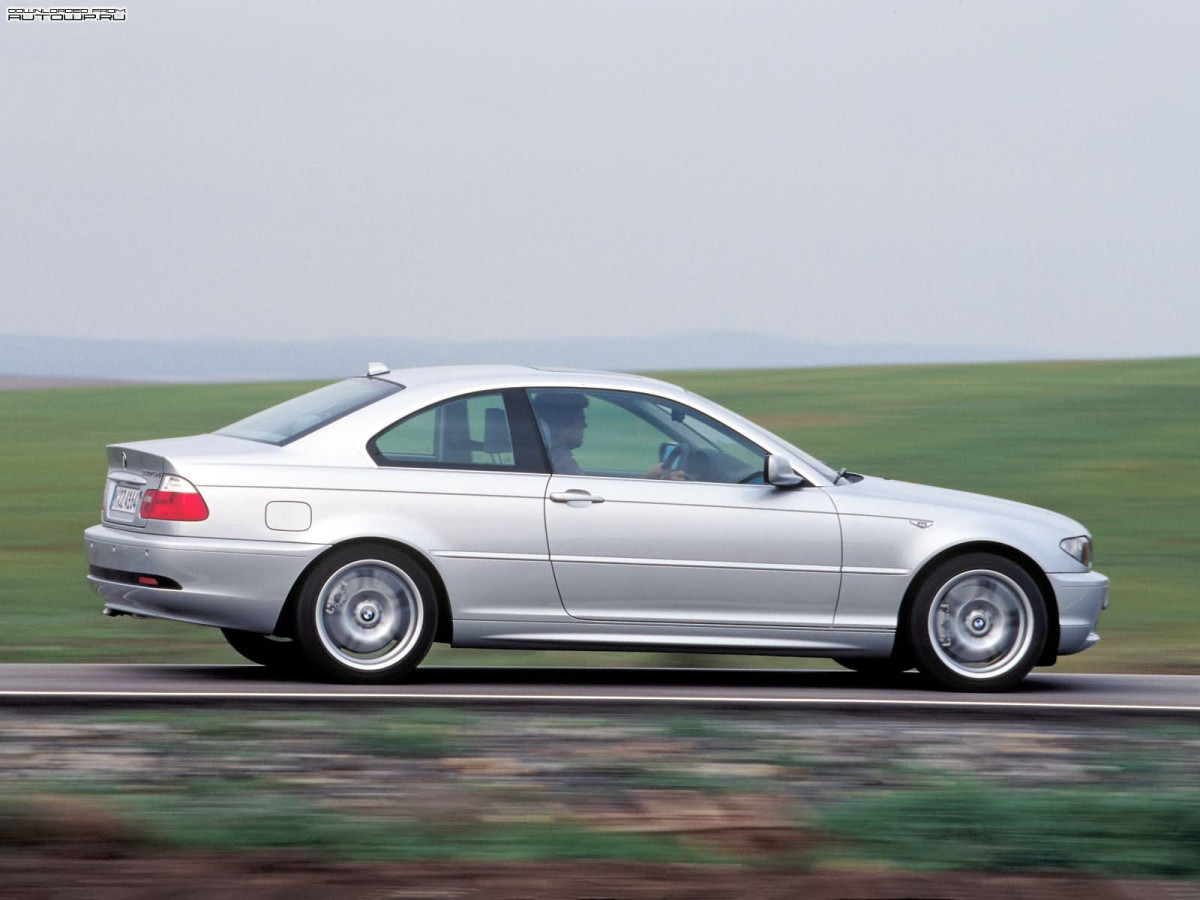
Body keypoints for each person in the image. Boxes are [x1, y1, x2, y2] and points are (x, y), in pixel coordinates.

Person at [534, 392, 685, 479]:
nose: (584, 426)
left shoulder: (550, 456)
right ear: (562, 424)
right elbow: (592, 501)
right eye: (580, 420)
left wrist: (650, 478)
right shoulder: (559, 459)